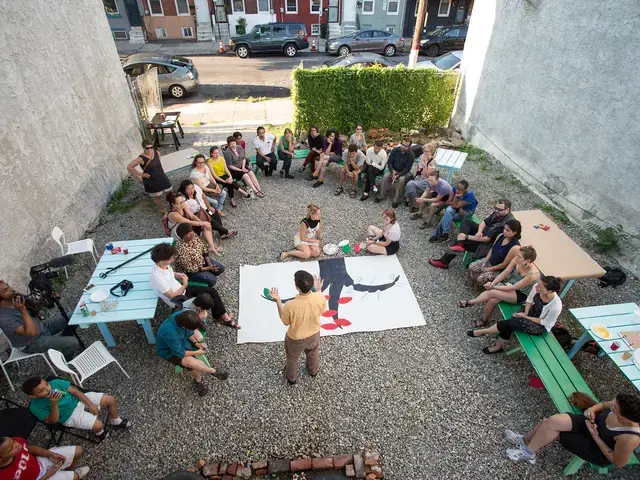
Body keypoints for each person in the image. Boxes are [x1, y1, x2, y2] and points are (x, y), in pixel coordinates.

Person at [503, 393, 640, 467]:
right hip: (590, 425)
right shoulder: (620, 404)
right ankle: (525, 441)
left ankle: (529, 452)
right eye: (614, 402)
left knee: (555, 432)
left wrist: (596, 436)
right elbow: (603, 405)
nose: (612, 405)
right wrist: (592, 409)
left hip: (597, 449)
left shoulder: (630, 438)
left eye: (615, 407)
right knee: (551, 421)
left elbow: (618, 462)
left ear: (625, 416)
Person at [149, 243, 239, 328]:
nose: (173, 259)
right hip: (179, 300)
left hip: (183, 289)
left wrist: (176, 274)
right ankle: (198, 322)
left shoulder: (163, 265)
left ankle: (223, 317)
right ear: (162, 260)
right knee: (202, 306)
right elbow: (173, 296)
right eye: (171, 258)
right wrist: (184, 284)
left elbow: (168, 273)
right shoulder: (158, 278)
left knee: (212, 292)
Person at [467, 275, 563, 353]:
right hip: (530, 312)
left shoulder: (556, 306)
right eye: (538, 284)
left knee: (511, 323)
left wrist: (527, 317)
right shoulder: (536, 288)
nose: (536, 286)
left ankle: (484, 332)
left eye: (540, 286)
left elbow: (545, 322)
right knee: (512, 321)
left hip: (540, 324)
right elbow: (529, 300)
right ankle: (497, 347)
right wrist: (525, 313)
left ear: (549, 291)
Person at [23, 376, 131, 441]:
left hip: (77, 401)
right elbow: (53, 421)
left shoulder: (54, 383)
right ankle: (99, 433)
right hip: (69, 416)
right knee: (99, 425)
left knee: (110, 399)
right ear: (32, 396)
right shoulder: (35, 407)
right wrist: (54, 403)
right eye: (42, 390)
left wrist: (90, 404)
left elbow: (74, 391)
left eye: (46, 384)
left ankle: (115, 420)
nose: (48, 388)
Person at [457, 246, 540, 328]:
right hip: (510, 285)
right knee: (492, 300)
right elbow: (505, 272)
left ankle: (471, 302)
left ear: (528, 261)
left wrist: (494, 287)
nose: (516, 257)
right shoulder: (516, 260)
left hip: (521, 294)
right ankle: (483, 320)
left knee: (492, 292)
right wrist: (492, 283)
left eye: (519, 257)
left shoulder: (532, 275)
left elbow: (513, 288)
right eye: (517, 255)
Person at [269, 271, 326, 385]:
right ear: (312, 285)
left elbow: (285, 321)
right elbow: (321, 305)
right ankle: (313, 371)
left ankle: (292, 378)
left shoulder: (291, 305)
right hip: (314, 334)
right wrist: (318, 290)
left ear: (297, 287)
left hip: (296, 339)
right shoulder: (320, 297)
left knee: (292, 358)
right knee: (313, 353)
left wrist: (278, 301)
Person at [156, 309, 229, 397]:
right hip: (169, 351)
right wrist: (197, 352)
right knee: (191, 362)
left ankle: (200, 380)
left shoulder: (184, 315)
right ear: (184, 327)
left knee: (192, 364)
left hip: (181, 343)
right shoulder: (169, 332)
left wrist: (196, 343)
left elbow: (190, 332)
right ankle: (213, 372)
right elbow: (180, 353)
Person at [0, 283, 79, 361]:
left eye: (8, 287)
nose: (11, 290)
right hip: (31, 342)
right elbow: (32, 333)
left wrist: (50, 298)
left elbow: (36, 307)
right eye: (5, 290)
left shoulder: (15, 299)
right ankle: (66, 363)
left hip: (42, 327)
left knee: (75, 316)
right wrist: (23, 310)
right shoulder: (4, 318)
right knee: (72, 342)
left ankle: (62, 342)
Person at [429, 198, 515, 269]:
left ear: (507, 209)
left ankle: (444, 262)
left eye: (499, 209)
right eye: (495, 208)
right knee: (466, 222)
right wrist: (479, 231)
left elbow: (488, 239)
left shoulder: (506, 224)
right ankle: (460, 245)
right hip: (483, 233)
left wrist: (466, 236)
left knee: (461, 239)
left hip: (487, 245)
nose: (496, 210)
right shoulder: (498, 213)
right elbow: (485, 222)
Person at [0, 436, 90, 480]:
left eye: (13, 441)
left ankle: (68, 469)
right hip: (40, 478)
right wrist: (48, 475)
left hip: (39, 461)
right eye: (11, 448)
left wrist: (50, 454)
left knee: (79, 451)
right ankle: (73, 474)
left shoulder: (17, 443)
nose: (18, 444)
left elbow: (30, 449)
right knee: (75, 477)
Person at [467, 220, 522, 287]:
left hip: (498, 269)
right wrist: (485, 261)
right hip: (490, 261)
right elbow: (492, 249)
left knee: (481, 279)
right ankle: (473, 283)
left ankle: (484, 287)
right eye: (504, 228)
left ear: (514, 232)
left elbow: (504, 265)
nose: (504, 231)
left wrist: (488, 269)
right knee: (472, 266)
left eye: (508, 230)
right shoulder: (501, 236)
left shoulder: (515, 247)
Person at [174, 223, 226, 287]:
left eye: (191, 231)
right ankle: (200, 283)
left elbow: (203, 249)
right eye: (188, 234)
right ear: (182, 236)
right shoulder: (181, 250)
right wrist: (208, 268)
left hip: (201, 261)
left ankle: (207, 275)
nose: (191, 234)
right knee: (212, 280)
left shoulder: (194, 236)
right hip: (191, 272)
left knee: (220, 268)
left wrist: (209, 263)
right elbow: (192, 269)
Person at [127, 139, 172, 211]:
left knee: (169, 191)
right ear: (143, 148)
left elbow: (158, 163)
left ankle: (173, 206)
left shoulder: (157, 153)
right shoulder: (141, 158)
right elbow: (129, 167)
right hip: (151, 179)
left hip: (161, 176)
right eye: (147, 148)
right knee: (157, 196)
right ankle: (163, 211)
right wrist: (141, 174)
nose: (150, 149)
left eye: (151, 147)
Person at [376, 136, 415, 207]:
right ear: (401, 143)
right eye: (403, 145)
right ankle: (381, 195)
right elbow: (389, 162)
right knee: (385, 176)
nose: (404, 147)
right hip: (393, 169)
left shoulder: (411, 155)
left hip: (403, 172)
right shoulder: (394, 150)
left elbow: (407, 168)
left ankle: (396, 200)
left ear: (409, 146)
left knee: (401, 180)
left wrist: (399, 174)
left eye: (406, 146)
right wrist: (392, 171)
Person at [405, 141, 438, 211]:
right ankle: (416, 204)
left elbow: (427, 174)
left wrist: (426, 163)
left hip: (426, 181)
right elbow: (418, 166)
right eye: (424, 151)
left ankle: (413, 202)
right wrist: (415, 174)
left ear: (431, 152)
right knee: (411, 185)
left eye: (427, 151)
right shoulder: (421, 156)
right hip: (419, 177)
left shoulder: (433, 161)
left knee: (410, 184)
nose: (425, 153)